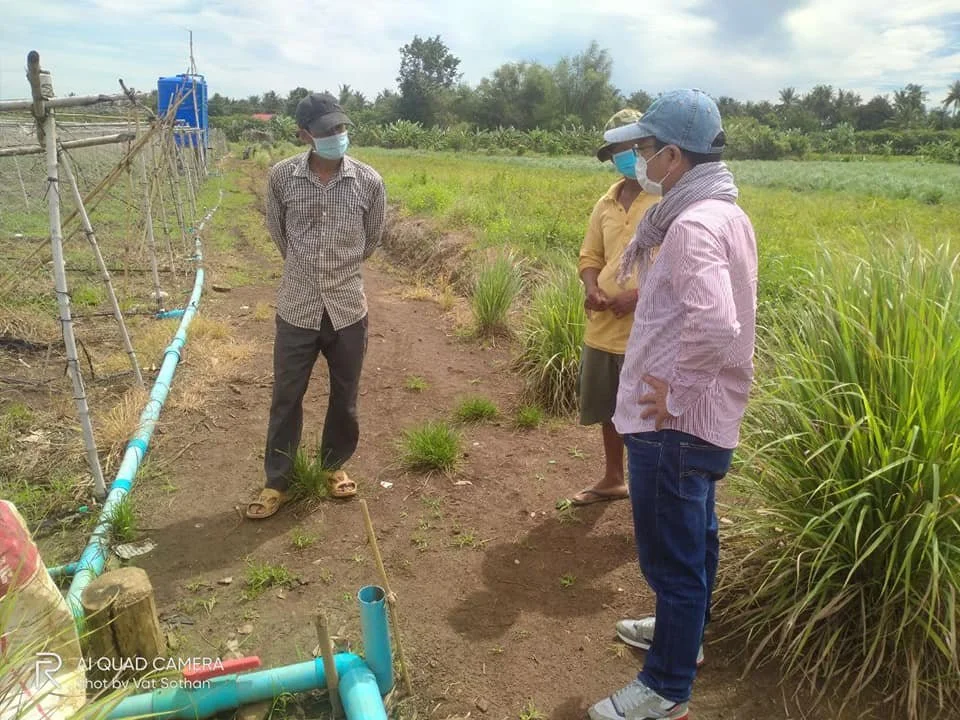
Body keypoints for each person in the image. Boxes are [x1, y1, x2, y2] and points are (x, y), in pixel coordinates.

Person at [587, 89, 758, 720]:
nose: (639, 158)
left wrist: (676, 395)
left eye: (645, 149)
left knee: (672, 555)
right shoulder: (724, 211)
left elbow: (717, 325)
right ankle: (682, 640)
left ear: (674, 155)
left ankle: (665, 689)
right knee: (698, 538)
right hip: (702, 422)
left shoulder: (689, 226)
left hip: (675, 427)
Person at [246, 92, 386, 520]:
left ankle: (333, 467)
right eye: (327, 131)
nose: (337, 136)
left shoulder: (368, 181)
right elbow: (278, 233)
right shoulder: (281, 178)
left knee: (345, 396)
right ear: (305, 135)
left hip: (347, 308)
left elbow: (372, 239)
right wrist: (309, 270)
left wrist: (336, 271)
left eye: (341, 128)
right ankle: (278, 481)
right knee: (287, 396)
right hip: (297, 306)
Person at [571, 108, 659, 507]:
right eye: (619, 151)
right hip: (604, 326)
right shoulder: (605, 202)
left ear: (649, 150)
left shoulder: (665, 199)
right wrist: (592, 288)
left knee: (645, 415)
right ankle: (612, 478)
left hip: (648, 330)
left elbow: (681, 266)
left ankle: (650, 492)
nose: (627, 157)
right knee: (609, 408)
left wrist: (637, 297)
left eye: (634, 148)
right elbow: (590, 255)